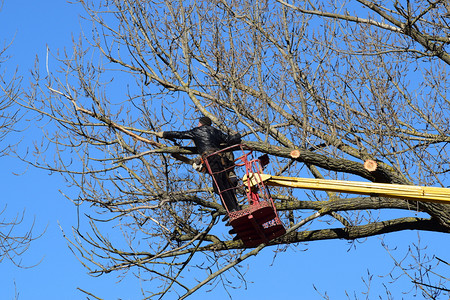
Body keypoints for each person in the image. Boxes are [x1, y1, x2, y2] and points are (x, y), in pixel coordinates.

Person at [154, 116, 241, 212]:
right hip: (220, 159)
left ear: (201, 123)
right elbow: (228, 139)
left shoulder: (197, 131)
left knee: (219, 186)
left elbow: (180, 134)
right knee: (224, 183)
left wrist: (164, 134)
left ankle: (231, 210)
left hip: (210, 159)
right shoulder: (215, 131)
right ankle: (235, 207)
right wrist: (237, 136)